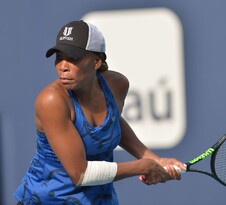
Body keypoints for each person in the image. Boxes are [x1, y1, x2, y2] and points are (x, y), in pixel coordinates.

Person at [14, 20, 186, 204]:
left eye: (73, 58)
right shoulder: (51, 100)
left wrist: (156, 160)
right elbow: (80, 174)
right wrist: (143, 166)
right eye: (59, 57)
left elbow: (113, 122)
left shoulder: (117, 85)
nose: (63, 66)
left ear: (96, 61)